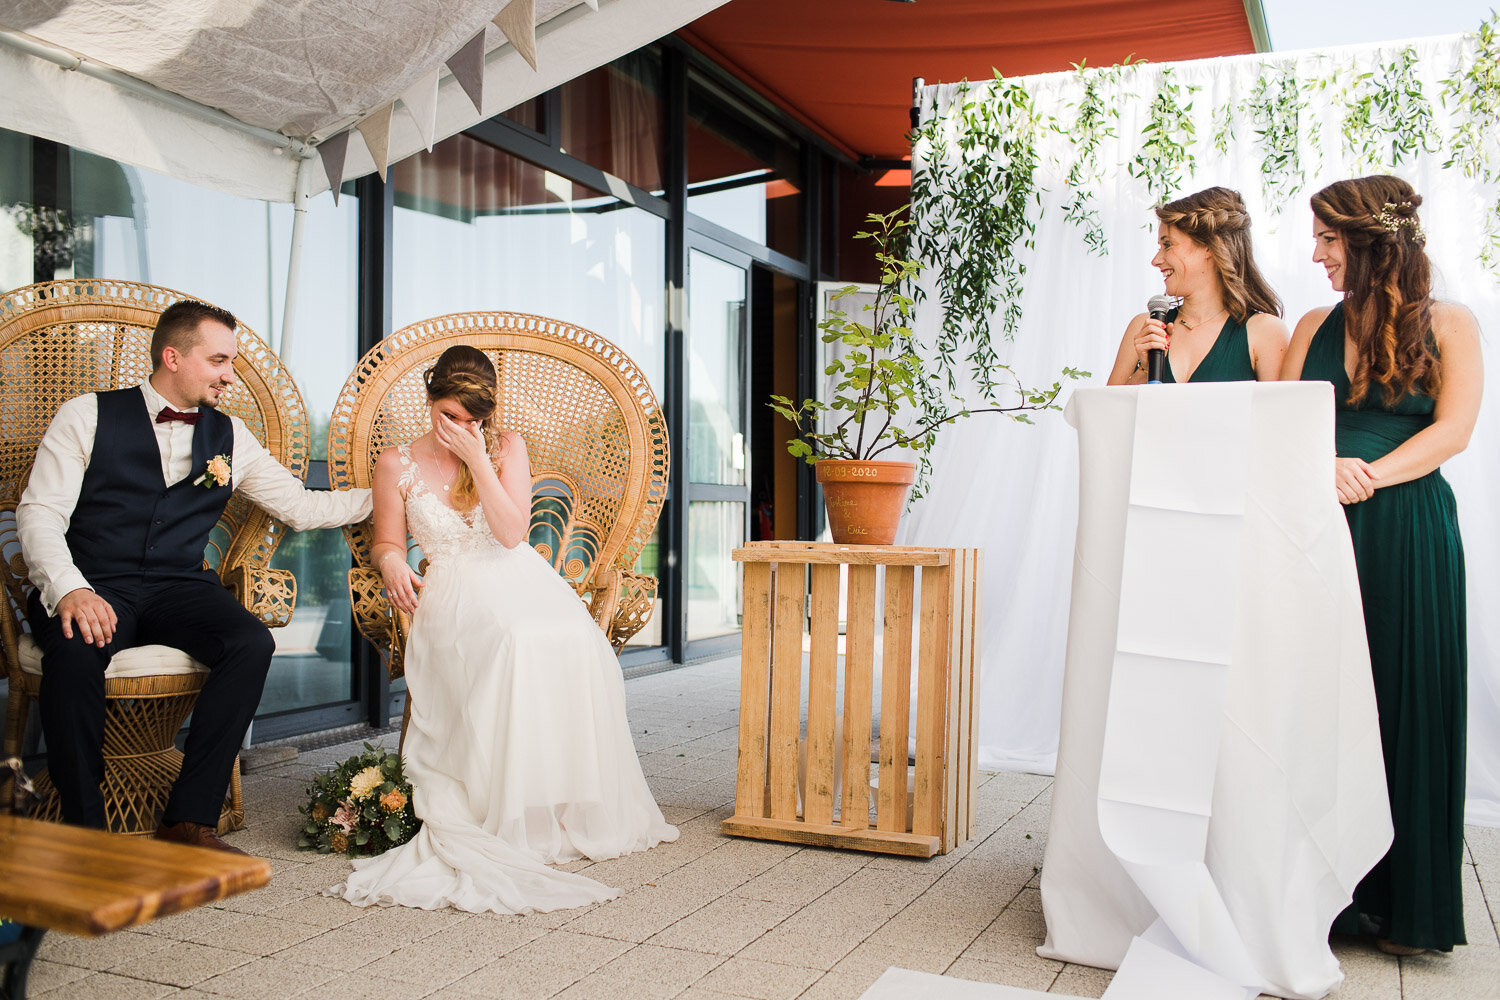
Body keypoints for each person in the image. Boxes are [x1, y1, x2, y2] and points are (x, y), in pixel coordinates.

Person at [329, 345, 677, 913]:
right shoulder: (397, 462)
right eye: (450, 416)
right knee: (512, 641)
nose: (461, 428)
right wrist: (392, 559)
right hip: (453, 588)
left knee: (567, 637)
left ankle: (558, 800)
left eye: (473, 419)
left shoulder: (507, 447)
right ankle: (507, 803)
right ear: (429, 401)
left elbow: (513, 534)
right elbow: (387, 539)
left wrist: (480, 458)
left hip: (519, 575)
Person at [17, 299, 373, 851]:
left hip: (179, 587)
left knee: (250, 642)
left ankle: (189, 818)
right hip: (93, 581)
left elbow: (302, 507)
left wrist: (396, 496)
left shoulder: (231, 436)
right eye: (219, 361)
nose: (229, 375)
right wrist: (70, 589)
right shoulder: (85, 415)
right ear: (173, 357)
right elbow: (39, 513)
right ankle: (86, 835)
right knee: (74, 653)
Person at [1280, 176, 1482, 955]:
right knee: (1315, 703)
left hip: (1407, 529)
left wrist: (1363, 474)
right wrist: (1319, 465)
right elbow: (1281, 416)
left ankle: (1405, 905)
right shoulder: (1310, 325)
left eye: (1329, 239)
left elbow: (1455, 429)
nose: (1317, 254)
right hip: (1314, 527)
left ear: (1370, 242)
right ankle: (1326, 897)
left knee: (1406, 692)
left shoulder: (1453, 324)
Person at [1107, 187, 1289, 385]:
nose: (1156, 260)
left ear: (1211, 246)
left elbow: (1278, 414)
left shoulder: (1265, 331)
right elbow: (1106, 413)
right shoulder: (1144, 326)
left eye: (1167, 245)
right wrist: (1144, 369)